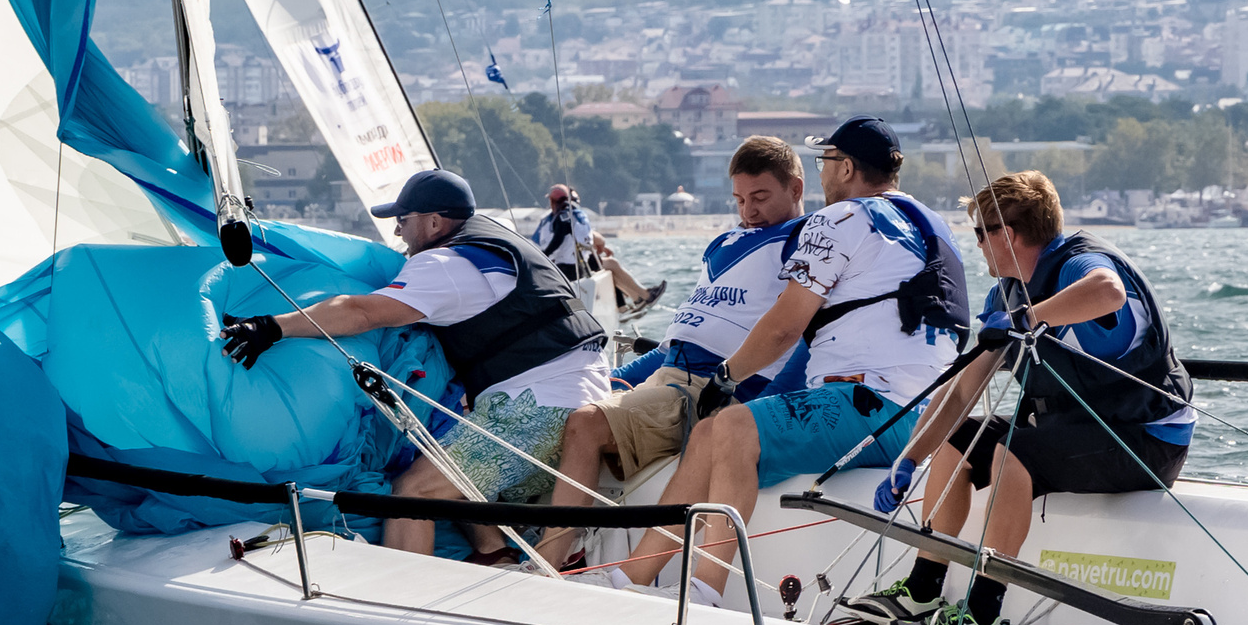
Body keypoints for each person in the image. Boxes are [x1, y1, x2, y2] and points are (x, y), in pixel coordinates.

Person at [612, 116, 968, 592]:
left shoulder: (841, 218)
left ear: (846, 168)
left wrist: (726, 377)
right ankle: (630, 578)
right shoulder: (935, 226)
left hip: (870, 408)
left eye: (825, 161)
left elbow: (783, 328)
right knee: (710, 434)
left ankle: (706, 591)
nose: (822, 174)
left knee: (732, 425)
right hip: (928, 422)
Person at [845, 170, 1193, 625]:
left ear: (1006, 234)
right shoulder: (1005, 293)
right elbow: (961, 392)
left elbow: (1108, 291)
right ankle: (922, 590)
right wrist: (910, 458)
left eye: (979, 233)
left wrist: (1028, 318)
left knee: (1015, 451)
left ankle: (983, 615)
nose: (977, 245)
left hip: (1147, 439)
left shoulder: (1076, 263)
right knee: (959, 439)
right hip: (1078, 432)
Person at [219, 167, 607, 563]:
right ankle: (495, 553)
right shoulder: (497, 241)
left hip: (539, 409)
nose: (397, 231)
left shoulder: (445, 264)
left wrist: (272, 327)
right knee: (445, 459)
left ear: (434, 222)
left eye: (403, 220)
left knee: (413, 491)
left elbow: (361, 312)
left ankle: (406, 596)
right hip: (584, 396)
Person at [536, 137, 809, 568]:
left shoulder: (805, 243)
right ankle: (549, 546)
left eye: (760, 198)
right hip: (668, 379)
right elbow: (676, 345)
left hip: (711, 390)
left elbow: (803, 336)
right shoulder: (724, 243)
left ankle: (549, 562)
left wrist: (757, 412)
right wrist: (609, 381)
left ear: (795, 189)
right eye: (739, 200)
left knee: (585, 424)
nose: (748, 211)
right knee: (561, 408)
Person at [535, 183, 661, 312]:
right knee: (610, 266)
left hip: (559, 267)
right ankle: (635, 301)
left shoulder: (550, 219)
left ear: (552, 201)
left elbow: (550, 240)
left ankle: (634, 300)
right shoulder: (571, 216)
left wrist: (541, 257)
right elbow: (565, 238)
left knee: (608, 266)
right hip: (571, 268)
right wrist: (544, 255)